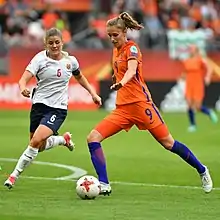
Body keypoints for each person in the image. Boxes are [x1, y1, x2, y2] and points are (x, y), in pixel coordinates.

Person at [86, 12, 213, 195]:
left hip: (141, 105)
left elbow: (131, 70)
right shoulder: (115, 51)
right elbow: (120, 71)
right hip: (123, 108)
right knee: (93, 138)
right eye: (109, 35)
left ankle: (202, 169)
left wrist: (122, 82)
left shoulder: (132, 49)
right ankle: (104, 184)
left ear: (124, 33)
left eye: (115, 35)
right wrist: (117, 78)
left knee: (168, 143)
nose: (112, 39)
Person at [4, 27, 102, 189]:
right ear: (45, 45)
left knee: (35, 141)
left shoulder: (70, 62)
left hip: (58, 109)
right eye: (51, 43)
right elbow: (24, 78)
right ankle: (63, 139)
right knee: (38, 146)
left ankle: (13, 176)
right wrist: (22, 88)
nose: (54, 46)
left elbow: (80, 77)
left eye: (57, 42)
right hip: (39, 106)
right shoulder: (39, 59)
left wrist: (93, 93)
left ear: (63, 43)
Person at [182, 45, 218, 132]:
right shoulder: (186, 61)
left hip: (197, 84)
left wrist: (207, 77)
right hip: (189, 85)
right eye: (190, 49)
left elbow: (209, 67)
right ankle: (192, 125)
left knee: (197, 106)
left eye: (192, 49)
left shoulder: (200, 60)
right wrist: (182, 77)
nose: (190, 50)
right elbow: (185, 72)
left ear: (196, 51)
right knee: (189, 105)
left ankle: (209, 112)